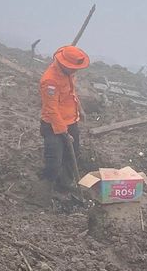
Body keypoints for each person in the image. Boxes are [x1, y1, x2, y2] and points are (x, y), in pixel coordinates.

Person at [39, 45, 90, 190]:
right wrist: (64, 132)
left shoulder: (69, 74)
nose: (76, 71)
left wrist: (80, 109)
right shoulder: (50, 81)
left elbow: (71, 94)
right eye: (73, 68)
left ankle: (65, 185)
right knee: (54, 160)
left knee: (72, 155)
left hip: (71, 121)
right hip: (53, 126)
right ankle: (46, 188)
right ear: (63, 64)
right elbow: (51, 109)